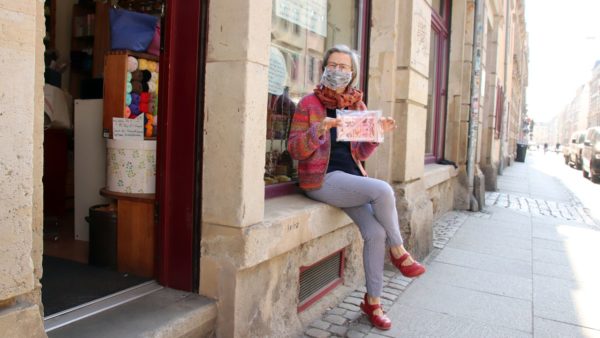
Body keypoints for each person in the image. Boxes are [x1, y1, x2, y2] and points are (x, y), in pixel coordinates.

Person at [287, 45, 425, 331]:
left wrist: (376, 134)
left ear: (353, 74)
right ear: (325, 67)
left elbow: (359, 154)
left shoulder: (357, 107)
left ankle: (373, 302)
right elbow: (295, 150)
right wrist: (319, 130)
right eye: (333, 65)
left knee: (374, 232)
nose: (337, 71)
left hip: (349, 180)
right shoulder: (309, 104)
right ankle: (399, 251)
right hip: (321, 180)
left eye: (344, 67)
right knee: (384, 190)